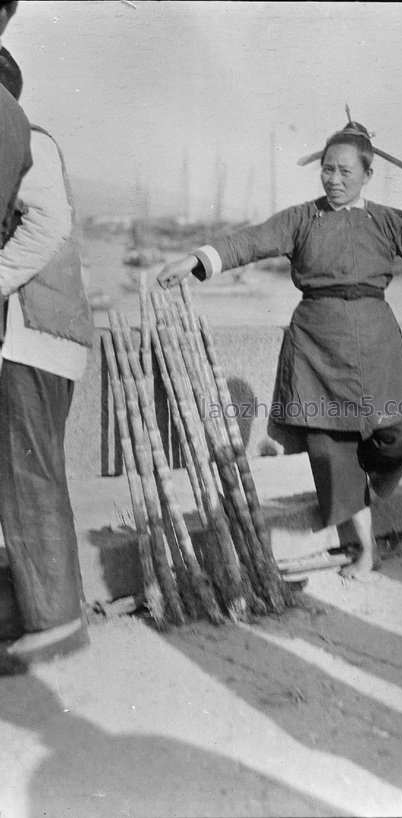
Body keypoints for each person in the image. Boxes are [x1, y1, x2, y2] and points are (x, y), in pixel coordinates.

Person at [158, 116, 402, 577]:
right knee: (332, 453)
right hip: (316, 345)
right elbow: (250, 241)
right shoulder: (301, 218)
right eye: (327, 169)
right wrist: (194, 260)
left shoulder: (390, 222)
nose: (334, 179)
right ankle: (365, 549)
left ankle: (367, 474)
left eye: (346, 171)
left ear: (367, 174)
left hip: (377, 339)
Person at [0, 48, 94, 665]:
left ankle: (57, 622)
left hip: (35, 337)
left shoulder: (29, 143)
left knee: (29, 477)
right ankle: (45, 608)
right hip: (34, 338)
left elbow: (49, 223)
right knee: (24, 476)